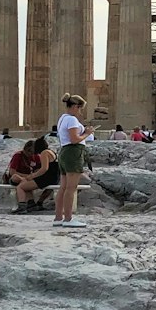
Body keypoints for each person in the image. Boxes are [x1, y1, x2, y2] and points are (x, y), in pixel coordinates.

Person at [54, 93, 93, 227]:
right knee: (71, 188)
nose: (80, 112)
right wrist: (87, 133)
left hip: (64, 151)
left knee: (63, 187)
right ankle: (68, 219)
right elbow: (75, 139)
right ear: (76, 106)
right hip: (73, 152)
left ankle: (58, 217)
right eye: (81, 108)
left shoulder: (62, 118)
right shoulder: (71, 120)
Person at [11, 136, 60, 213]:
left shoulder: (44, 153)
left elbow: (44, 168)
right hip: (54, 177)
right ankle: (31, 204)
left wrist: (33, 176)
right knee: (26, 185)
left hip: (47, 178)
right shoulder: (51, 152)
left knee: (21, 187)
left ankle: (22, 207)